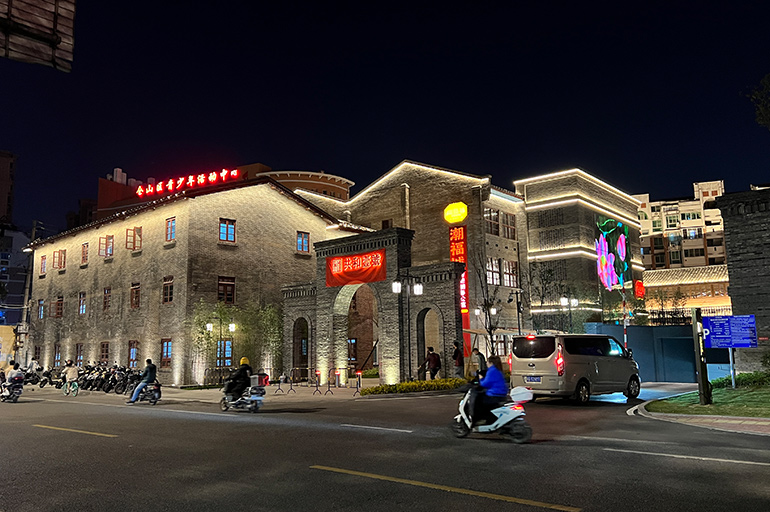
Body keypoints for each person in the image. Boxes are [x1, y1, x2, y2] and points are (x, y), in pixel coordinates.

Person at [472, 355, 509, 424]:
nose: (486, 363)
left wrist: (481, 378)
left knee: (478, 403)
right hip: (501, 394)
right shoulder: (498, 370)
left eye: (487, 362)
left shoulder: (492, 370)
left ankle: (482, 419)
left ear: (491, 363)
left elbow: (485, 384)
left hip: (494, 394)